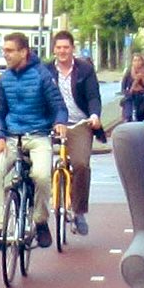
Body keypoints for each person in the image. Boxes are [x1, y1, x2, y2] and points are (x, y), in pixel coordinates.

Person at [0, 32, 68, 250]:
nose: (6, 55)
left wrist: (59, 123)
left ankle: (40, 221)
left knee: (41, 176)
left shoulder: (42, 76)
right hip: (12, 139)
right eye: (4, 51)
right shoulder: (4, 80)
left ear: (24, 52)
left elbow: (59, 107)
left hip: (38, 136)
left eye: (10, 51)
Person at [46, 30, 106, 236]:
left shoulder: (85, 70)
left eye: (66, 47)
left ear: (73, 49)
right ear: (54, 49)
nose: (62, 51)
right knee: (35, 163)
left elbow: (93, 97)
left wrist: (95, 115)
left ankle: (79, 211)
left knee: (81, 164)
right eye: (59, 47)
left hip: (79, 123)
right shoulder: (45, 71)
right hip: (52, 124)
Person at [120, 53, 144, 122]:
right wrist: (125, 92)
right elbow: (124, 84)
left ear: (142, 62)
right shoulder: (129, 71)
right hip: (131, 95)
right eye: (134, 60)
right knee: (127, 115)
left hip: (143, 96)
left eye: (138, 60)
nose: (136, 62)